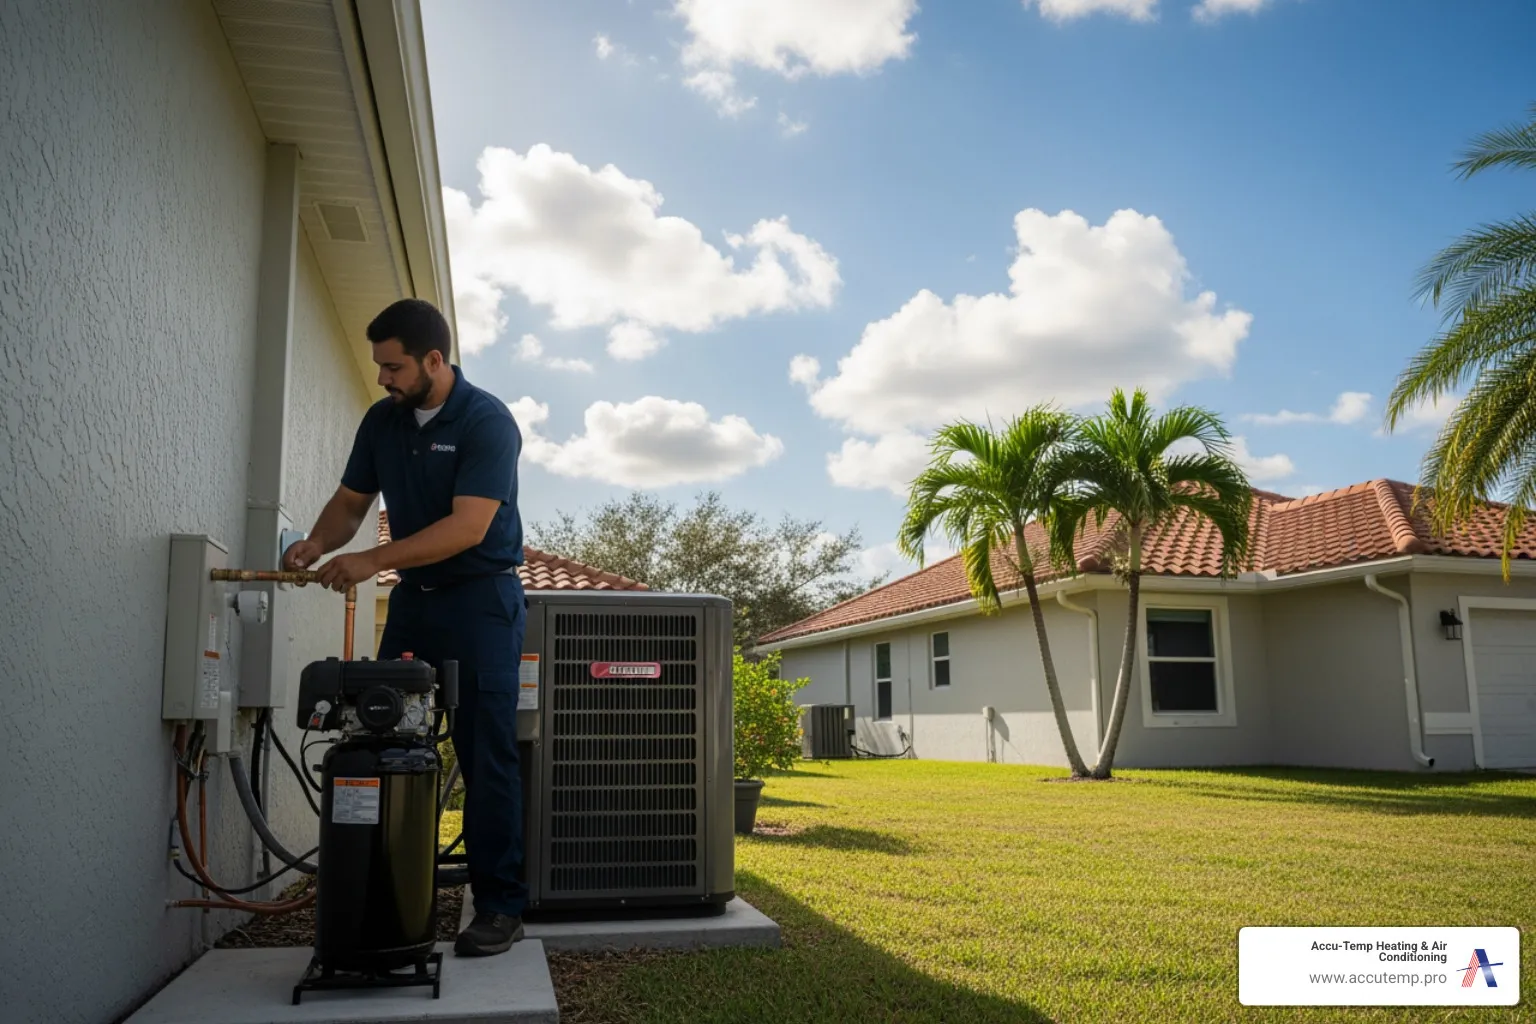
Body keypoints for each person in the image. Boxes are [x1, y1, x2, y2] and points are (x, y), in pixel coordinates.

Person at [283, 297, 528, 956]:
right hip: (416, 601)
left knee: (485, 753)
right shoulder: (382, 422)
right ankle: (388, 894)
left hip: (482, 601)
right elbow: (350, 504)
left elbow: (467, 526)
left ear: (434, 359)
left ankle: (501, 905)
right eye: (379, 367)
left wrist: (370, 560)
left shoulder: (487, 420)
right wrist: (315, 543)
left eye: (393, 367)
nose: (384, 379)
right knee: (382, 731)